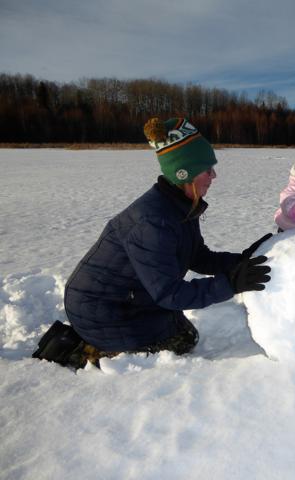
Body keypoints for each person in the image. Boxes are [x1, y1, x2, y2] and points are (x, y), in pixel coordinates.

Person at [33, 117, 271, 369]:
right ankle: (79, 350)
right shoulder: (153, 222)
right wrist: (230, 284)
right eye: (207, 169)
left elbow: (197, 256)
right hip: (100, 309)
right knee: (184, 340)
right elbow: (169, 293)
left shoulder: (179, 205)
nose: (214, 175)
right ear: (185, 173)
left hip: (127, 298)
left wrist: (240, 261)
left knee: (181, 329)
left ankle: (99, 339)